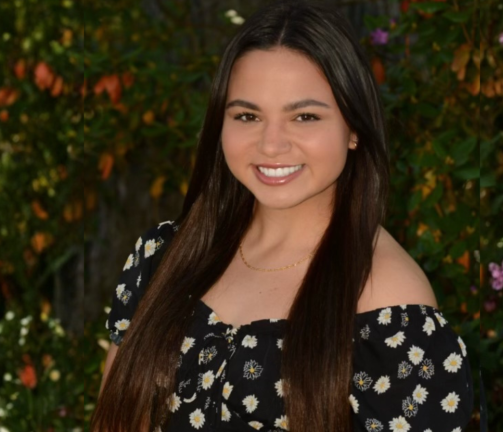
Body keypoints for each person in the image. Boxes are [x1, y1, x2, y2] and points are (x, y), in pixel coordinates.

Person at [91, 1, 474, 431]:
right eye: (248, 115)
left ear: (354, 128)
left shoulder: (389, 308)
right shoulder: (163, 256)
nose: (271, 145)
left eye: (304, 116)